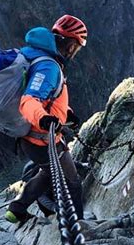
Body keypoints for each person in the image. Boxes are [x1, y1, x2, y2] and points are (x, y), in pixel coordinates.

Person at [5, 15, 87, 224]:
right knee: (72, 182)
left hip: (32, 137)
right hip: (41, 139)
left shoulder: (36, 56)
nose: (74, 53)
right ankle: (77, 225)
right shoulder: (49, 66)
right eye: (75, 47)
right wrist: (44, 120)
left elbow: (48, 96)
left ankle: (17, 208)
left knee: (47, 173)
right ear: (69, 45)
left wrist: (66, 114)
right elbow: (30, 99)